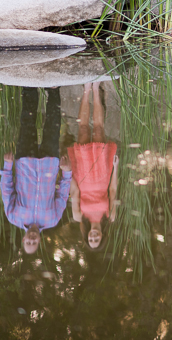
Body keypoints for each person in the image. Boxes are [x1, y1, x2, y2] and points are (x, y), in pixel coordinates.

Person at [1, 87, 71, 254]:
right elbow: (62, 195)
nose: (31, 240)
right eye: (34, 243)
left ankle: (30, 86)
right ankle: (53, 90)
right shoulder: (53, 220)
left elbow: (7, 190)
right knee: (53, 125)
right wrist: (67, 172)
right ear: (39, 241)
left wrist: (7, 166)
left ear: (24, 239)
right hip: (50, 163)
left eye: (28, 243)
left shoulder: (13, 217)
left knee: (27, 121)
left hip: (25, 162)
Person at [68, 82, 118, 250]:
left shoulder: (78, 217)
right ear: (102, 237)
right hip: (103, 177)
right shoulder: (110, 217)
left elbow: (74, 192)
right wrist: (115, 168)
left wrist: (69, 171)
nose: (94, 237)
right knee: (98, 130)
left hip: (83, 177)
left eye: (91, 240)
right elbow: (112, 191)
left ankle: (86, 89)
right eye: (97, 240)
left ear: (87, 237)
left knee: (82, 130)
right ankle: (96, 90)